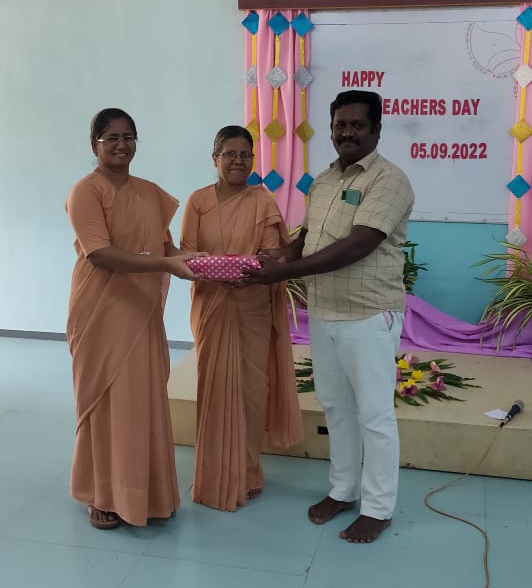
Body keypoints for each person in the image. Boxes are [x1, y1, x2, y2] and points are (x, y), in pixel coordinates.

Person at [245, 90, 415, 544]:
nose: (347, 133)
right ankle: (343, 490)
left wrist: (283, 274)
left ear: (376, 130)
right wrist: (281, 255)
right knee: (337, 408)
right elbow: (309, 238)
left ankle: (378, 508)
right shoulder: (322, 180)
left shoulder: (389, 180)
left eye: (357, 125)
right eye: (340, 125)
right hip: (324, 313)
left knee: (374, 415)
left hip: (368, 315)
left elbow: (357, 245)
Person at [66, 108, 197, 530]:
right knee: (106, 401)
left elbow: (164, 248)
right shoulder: (86, 191)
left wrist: (193, 260)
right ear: (95, 145)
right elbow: (100, 254)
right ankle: (102, 493)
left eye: (129, 137)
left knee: (142, 399)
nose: (122, 145)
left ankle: (149, 493)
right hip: (100, 311)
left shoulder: (149, 192)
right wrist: (166, 263)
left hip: (141, 310)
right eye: (112, 138)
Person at [180, 125, 303, 511]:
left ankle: (247, 472)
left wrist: (244, 268)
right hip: (211, 305)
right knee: (214, 387)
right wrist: (217, 270)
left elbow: (271, 255)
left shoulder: (262, 201)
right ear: (214, 158)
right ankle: (214, 472)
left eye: (245, 155)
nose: (238, 161)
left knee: (251, 391)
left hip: (252, 304)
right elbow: (186, 254)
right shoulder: (198, 201)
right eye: (229, 154)